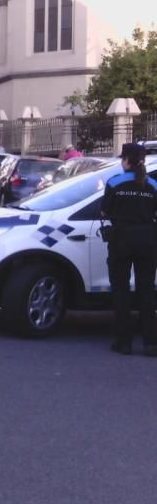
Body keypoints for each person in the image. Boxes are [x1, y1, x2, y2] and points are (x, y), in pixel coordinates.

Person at [101, 143, 157, 356]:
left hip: (121, 240)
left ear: (125, 160)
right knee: (146, 291)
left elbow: (105, 211)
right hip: (147, 241)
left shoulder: (114, 183)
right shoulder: (153, 185)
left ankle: (124, 342)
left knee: (121, 290)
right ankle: (151, 343)